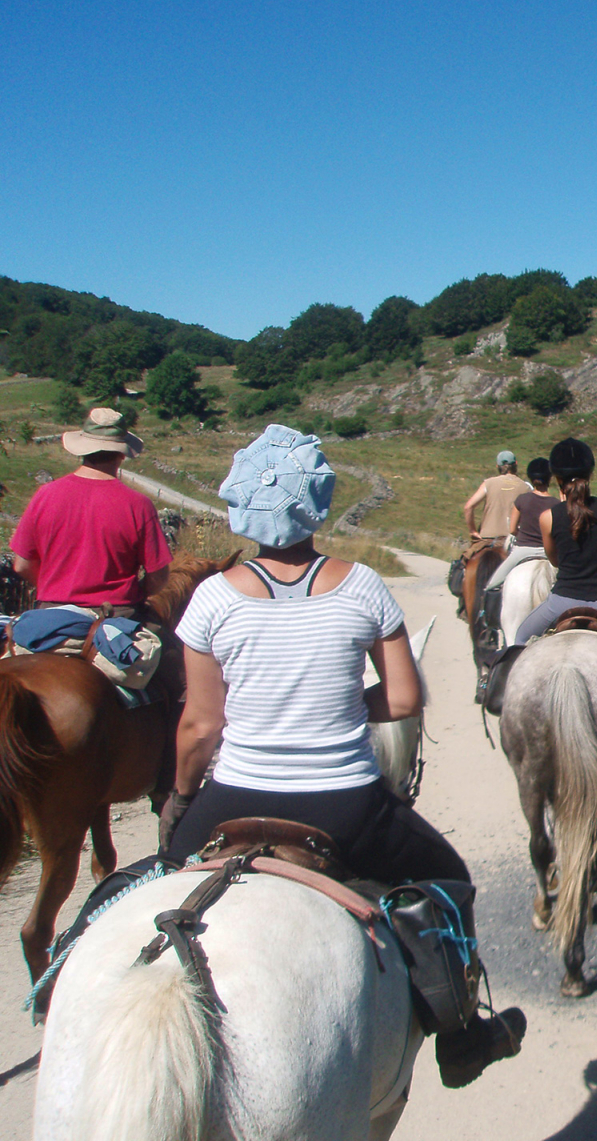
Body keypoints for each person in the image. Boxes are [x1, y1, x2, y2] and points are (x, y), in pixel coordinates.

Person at [160, 424, 524, 1089]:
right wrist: (339, 714)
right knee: (448, 881)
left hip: (233, 798)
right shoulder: (359, 585)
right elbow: (407, 698)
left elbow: (201, 724)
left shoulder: (211, 597)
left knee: (159, 882)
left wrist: (183, 799)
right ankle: (463, 1036)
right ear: (320, 501)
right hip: (346, 806)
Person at [10, 407, 172, 616]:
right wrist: (135, 594)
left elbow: (21, 566)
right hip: (116, 614)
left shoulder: (45, 495)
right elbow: (158, 577)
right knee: (169, 644)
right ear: (122, 454)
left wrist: (54, 590)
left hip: (52, 613)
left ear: (82, 449)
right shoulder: (138, 505)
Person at [511, 438, 597, 661]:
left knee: (519, 640)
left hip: (562, 602)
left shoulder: (548, 518)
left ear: (557, 478)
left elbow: (555, 561)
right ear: (591, 475)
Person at [482, 456, 558, 591]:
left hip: (522, 550)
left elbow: (512, 529)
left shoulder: (522, 500)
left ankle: (484, 609)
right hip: (548, 552)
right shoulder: (556, 504)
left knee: (492, 584)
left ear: (530, 477)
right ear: (549, 478)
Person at [462, 450, 527, 539]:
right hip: (515, 537)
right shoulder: (526, 487)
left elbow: (468, 507)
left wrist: (472, 531)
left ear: (497, 466)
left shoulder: (488, 483)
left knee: (469, 553)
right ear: (516, 464)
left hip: (488, 536)